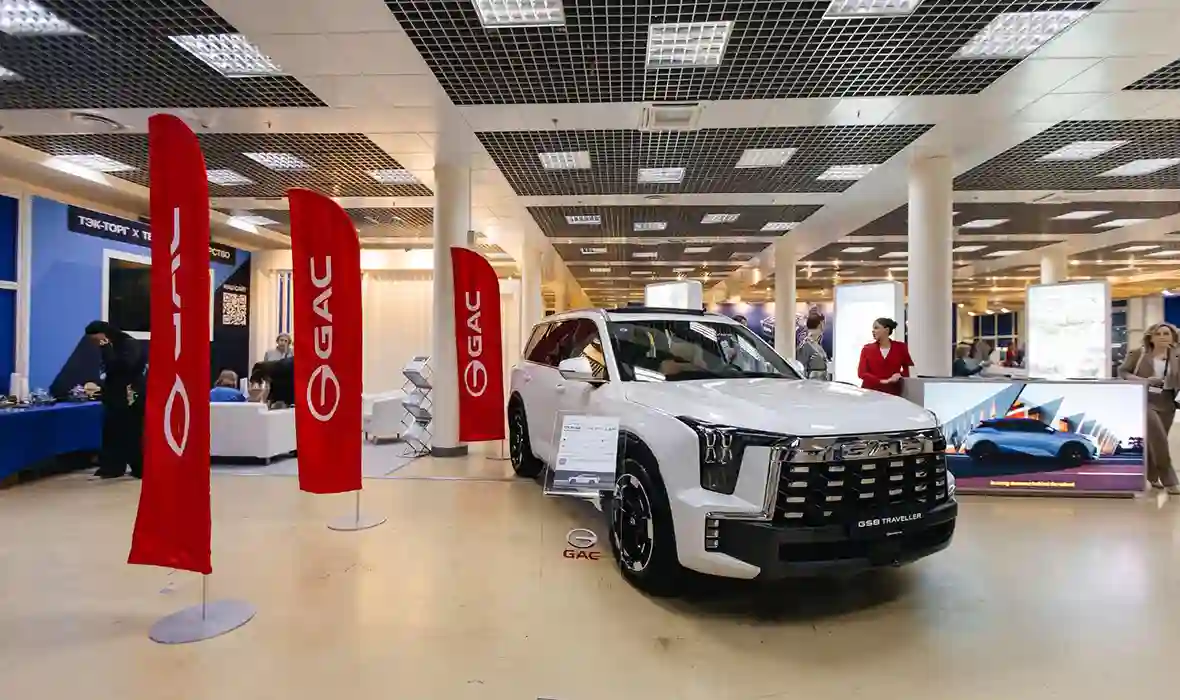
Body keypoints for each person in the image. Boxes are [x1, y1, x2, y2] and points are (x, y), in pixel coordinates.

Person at [1118, 322, 1180, 494]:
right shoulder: (1138, 354)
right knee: (1160, 440)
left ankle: (1152, 477)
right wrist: (1143, 381)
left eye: (1166, 334)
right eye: (1158, 334)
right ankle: (1169, 480)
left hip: (1167, 402)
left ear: (1173, 337)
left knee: (1157, 441)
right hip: (1145, 400)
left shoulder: (1176, 356)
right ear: (1151, 338)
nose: (1162, 337)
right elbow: (1123, 372)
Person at [84, 320, 146, 479]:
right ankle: (112, 466)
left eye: (95, 339)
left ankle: (139, 467)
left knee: (131, 432)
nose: (95, 343)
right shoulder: (111, 346)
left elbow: (123, 367)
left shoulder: (128, 344)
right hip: (114, 396)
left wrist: (106, 349)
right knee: (112, 432)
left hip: (130, 394)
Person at [857, 317, 913, 396]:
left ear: (886, 330)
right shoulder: (867, 349)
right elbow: (861, 373)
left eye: (876, 328)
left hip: (892, 393)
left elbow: (908, 370)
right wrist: (881, 381)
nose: (873, 331)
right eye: (873, 328)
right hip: (870, 393)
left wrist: (899, 375)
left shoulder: (900, 347)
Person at [795, 313, 830, 380]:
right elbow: (800, 368)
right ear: (820, 325)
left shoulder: (817, 344)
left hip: (821, 381)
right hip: (812, 382)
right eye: (823, 324)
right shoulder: (806, 345)